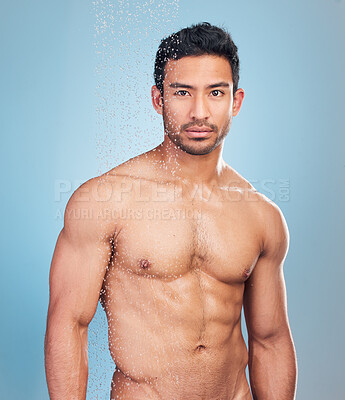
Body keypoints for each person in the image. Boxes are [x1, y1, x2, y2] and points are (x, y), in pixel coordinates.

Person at [45, 22, 297, 400]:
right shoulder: (105, 200)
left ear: (236, 101)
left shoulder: (261, 215)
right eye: (182, 92)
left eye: (215, 92)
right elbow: (68, 325)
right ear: (158, 99)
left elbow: (270, 340)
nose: (199, 111)